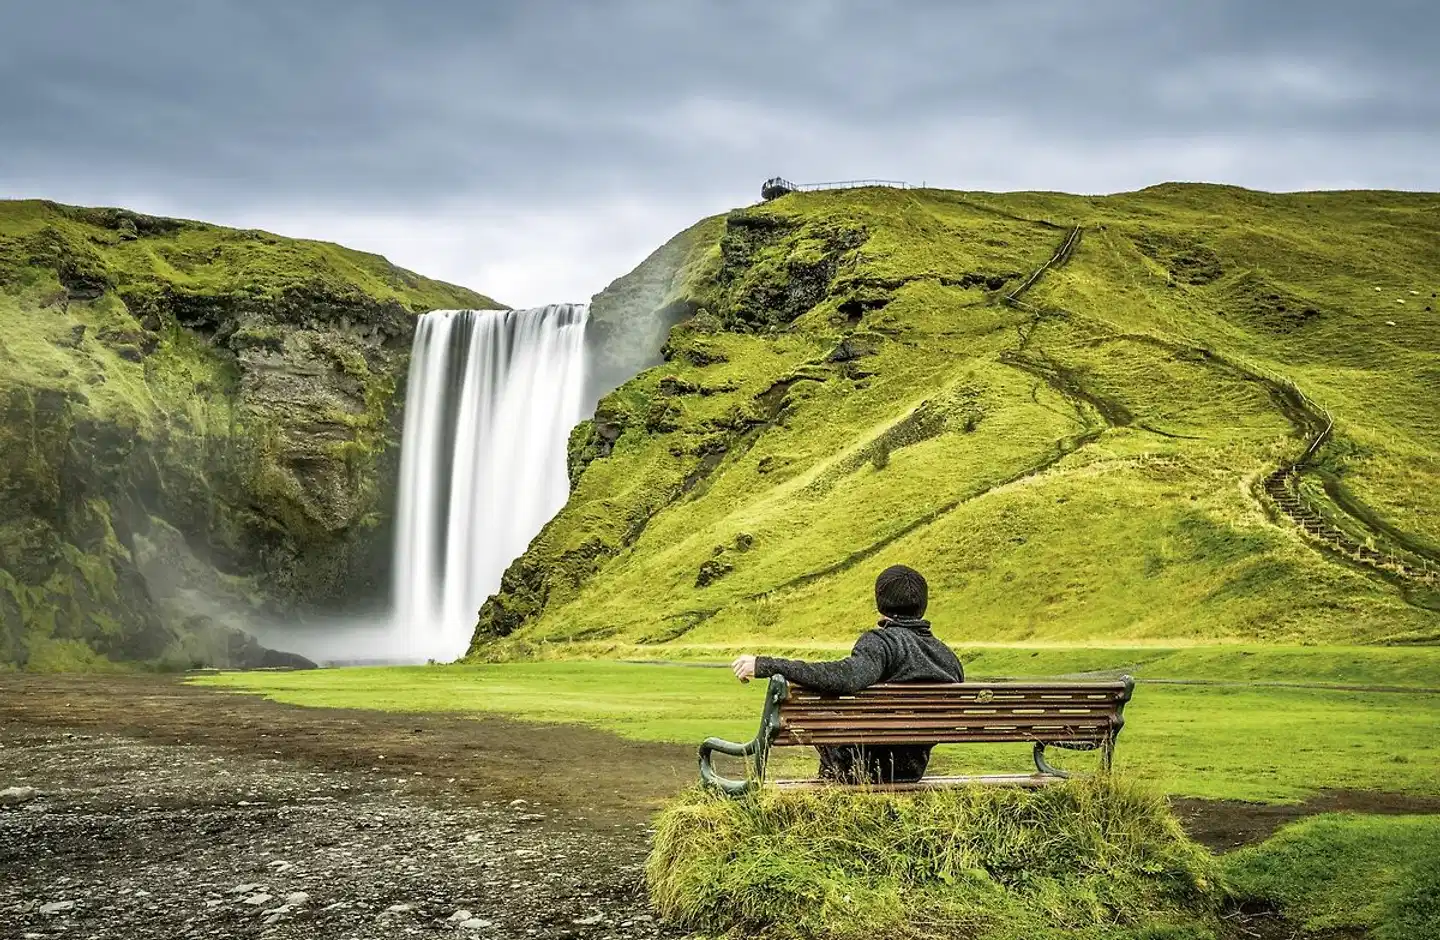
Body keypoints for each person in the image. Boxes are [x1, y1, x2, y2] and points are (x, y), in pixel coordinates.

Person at [731, 564, 964, 784]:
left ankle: (830, 797)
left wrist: (766, 665)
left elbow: (844, 677)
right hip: (912, 769)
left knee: (824, 717)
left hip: (861, 765)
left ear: (880, 603)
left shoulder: (882, 643)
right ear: (923, 604)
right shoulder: (948, 658)